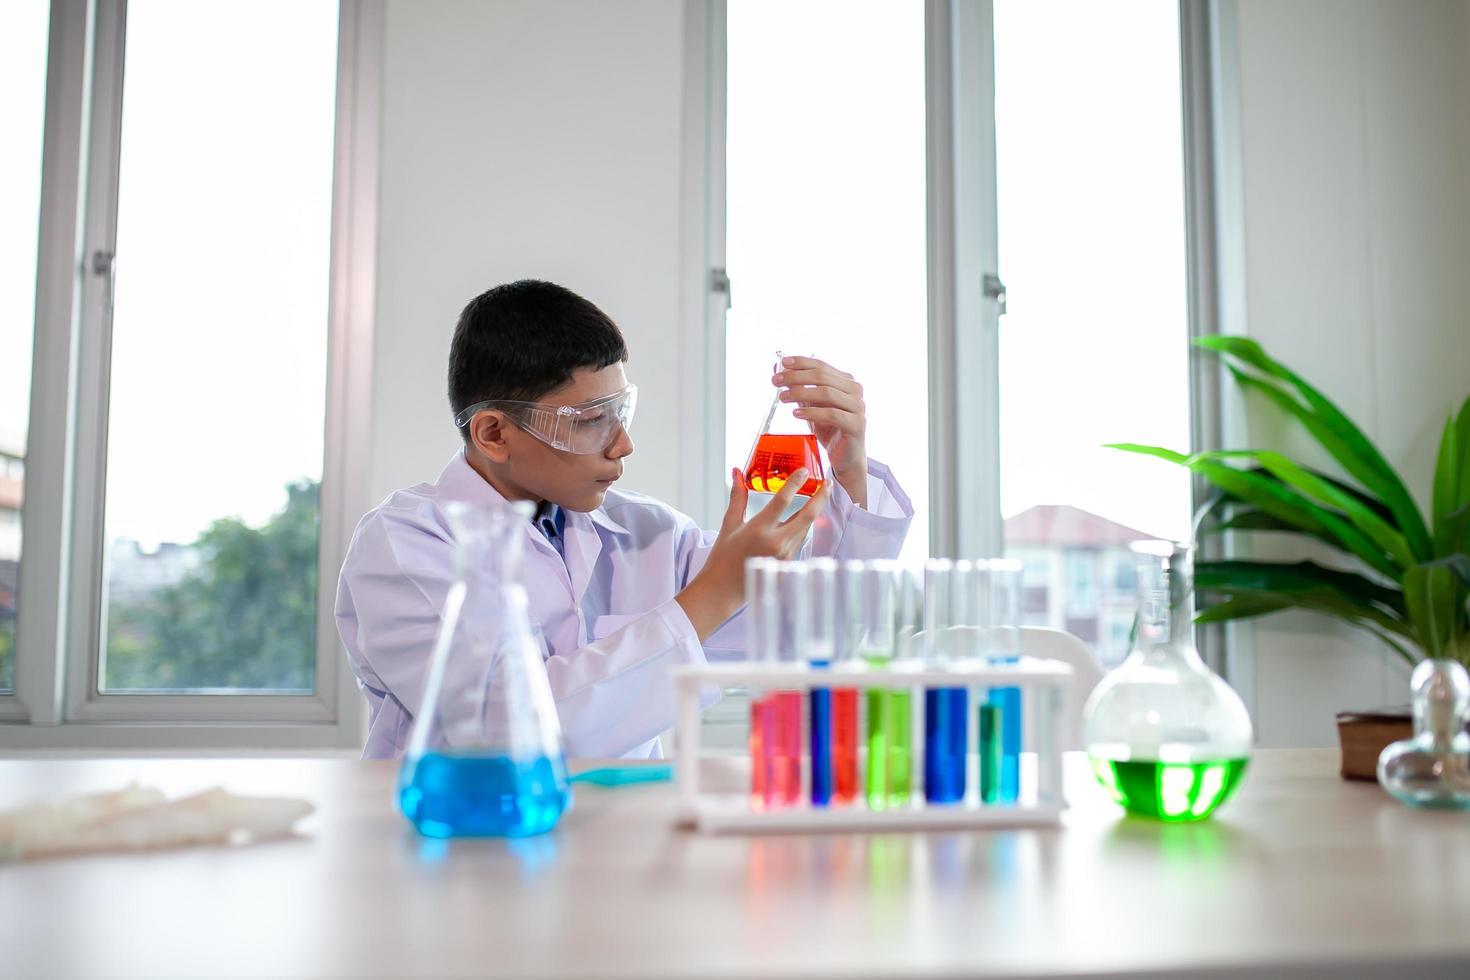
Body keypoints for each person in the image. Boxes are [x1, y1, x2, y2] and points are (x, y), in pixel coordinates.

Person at [336, 280, 913, 759]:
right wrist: (715, 591)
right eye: (591, 420)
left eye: (622, 412)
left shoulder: (648, 534)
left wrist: (849, 468)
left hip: (620, 856)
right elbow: (504, 731)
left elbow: (818, 632)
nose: (624, 445)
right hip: (460, 863)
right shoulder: (406, 544)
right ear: (493, 433)